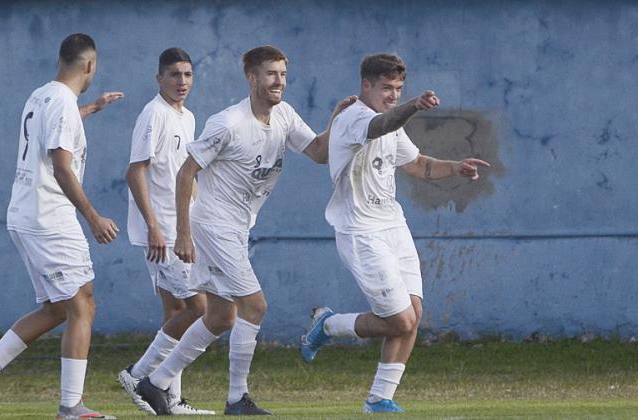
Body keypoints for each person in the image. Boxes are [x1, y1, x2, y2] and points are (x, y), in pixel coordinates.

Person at [135, 45, 356, 416]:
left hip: (237, 226)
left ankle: (154, 383)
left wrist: (336, 120)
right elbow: (186, 172)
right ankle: (237, 398)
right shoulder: (228, 122)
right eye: (271, 74)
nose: (279, 81)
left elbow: (319, 152)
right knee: (255, 305)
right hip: (213, 224)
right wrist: (183, 234)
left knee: (221, 316)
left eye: (283, 74)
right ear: (252, 78)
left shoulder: (283, 115)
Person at [299, 53, 490, 414]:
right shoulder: (354, 117)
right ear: (366, 85)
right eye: (386, 88)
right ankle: (329, 324)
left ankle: (379, 398)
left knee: (413, 315)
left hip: (393, 226)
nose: (393, 95)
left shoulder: (391, 122)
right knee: (399, 320)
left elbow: (416, 164)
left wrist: (456, 168)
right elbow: (380, 125)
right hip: (361, 231)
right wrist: (414, 106)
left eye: (399, 89)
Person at [0, 33, 124, 420]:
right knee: (83, 303)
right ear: (90, 66)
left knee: (57, 307)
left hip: (24, 214)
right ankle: (71, 406)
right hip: (49, 215)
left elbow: (55, 128)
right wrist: (94, 217)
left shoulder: (42, 96)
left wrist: (92, 109)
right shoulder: (63, 104)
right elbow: (62, 165)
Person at [117, 47, 214, 416]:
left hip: (183, 228)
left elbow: (185, 174)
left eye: (188, 75)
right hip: (163, 234)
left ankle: (170, 400)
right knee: (199, 307)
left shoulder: (187, 117)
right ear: (160, 78)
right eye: (174, 75)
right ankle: (138, 374)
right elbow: (135, 171)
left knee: (175, 311)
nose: (182, 82)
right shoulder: (153, 114)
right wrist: (155, 227)